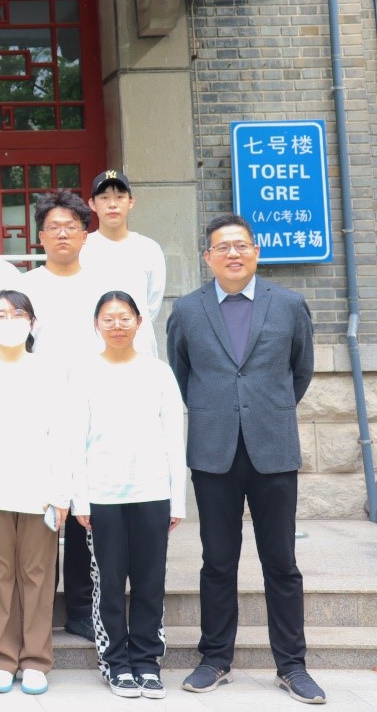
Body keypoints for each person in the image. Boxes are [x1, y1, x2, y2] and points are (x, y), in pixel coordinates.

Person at [166, 214, 323, 704]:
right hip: (213, 451)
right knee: (217, 561)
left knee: (281, 562)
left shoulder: (289, 305)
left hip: (272, 448)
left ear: (256, 251)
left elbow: (301, 371)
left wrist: (264, 410)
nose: (232, 254)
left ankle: (292, 665)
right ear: (207, 256)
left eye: (241, 245)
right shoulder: (187, 310)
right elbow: (182, 374)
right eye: (222, 247)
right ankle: (214, 658)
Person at [19, 188, 123, 639]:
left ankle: (81, 606)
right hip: (37, 409)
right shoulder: (26, 288)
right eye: (53, 227)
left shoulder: (105, 286)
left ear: (85, 233)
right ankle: (38, 604)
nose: (62, 234)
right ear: (40, 236)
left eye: (71, 227)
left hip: (94, 406)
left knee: (84, 507)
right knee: (40, 505)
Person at [0, 290, 73, 697]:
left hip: (40, 493)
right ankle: (3, 658)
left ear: (33, 322)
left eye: (18, 314)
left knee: (38, 578)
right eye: (0, 315)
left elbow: (62, 435)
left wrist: (61, 493)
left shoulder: (49, 371)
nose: (10, 321)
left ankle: (36, 660)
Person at [73, 291, 185, 700]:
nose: (117, 325)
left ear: (139, 322)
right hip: (102, 495)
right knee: (108, 582)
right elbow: (74, 440)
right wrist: (80, 498)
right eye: (108, 318)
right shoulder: (84, 373)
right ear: (96, 325)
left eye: (124, 317)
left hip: (152, 491)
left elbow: (174, 438)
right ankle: (115, 664)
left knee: (150, 581)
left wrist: (177, 500)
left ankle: (147, 662)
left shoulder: (158, 373)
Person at [81, 171, 167, 358]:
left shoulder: (149, 249)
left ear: (131, 202)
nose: (112, 204)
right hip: (92, 352)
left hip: (139, 350)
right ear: (92, 204)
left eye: (120, 197)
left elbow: (152, 306)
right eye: (104, 198)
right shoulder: (81, 248)